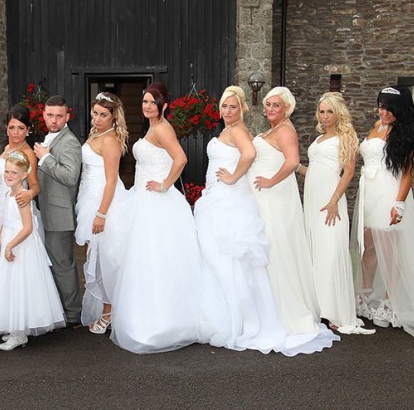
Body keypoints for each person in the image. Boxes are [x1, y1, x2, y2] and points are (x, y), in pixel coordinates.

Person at [105, 82, 229, 354]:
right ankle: (148, 318)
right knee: (145, 261)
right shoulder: (152, 127)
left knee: (158, 260)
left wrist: (164, 184)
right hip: (143, 200)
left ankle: (164, 323)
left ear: (164, 105)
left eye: (152, 102)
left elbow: (180, 158)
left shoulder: (162, 128)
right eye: (145, 101)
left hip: (158, 203)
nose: (147, 106)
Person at [194, 86, 294, 354]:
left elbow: (249, 154)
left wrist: (233, 177)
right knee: (216, 255)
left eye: (233, 107)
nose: (228, 111)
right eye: (224, 106)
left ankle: (238, 319)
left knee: (228, 256)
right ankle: (221, 313)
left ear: (242, 109)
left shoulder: (237, 130)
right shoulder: (226, 131)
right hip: (216, 196)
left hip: (228, 198)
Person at [351, 86, 414, 339]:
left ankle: (389, 302)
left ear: (399, 110)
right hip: (369, 193)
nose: (383, 112)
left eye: (388, 108)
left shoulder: (402, 134)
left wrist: (399, 204)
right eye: (381, 106)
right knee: (368, 246)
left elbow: (407, 174)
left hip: (388, 192)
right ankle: (365, 294)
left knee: (390, 251)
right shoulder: (377, 125)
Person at [247, 86, 339, 351]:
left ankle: (284, 310)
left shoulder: (286, 130)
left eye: (276, 105)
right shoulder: (270, 131)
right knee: (264, 245)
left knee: (276, 247)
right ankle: (263, 306)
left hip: (275, 195)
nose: (270, 109)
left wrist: (270, 181)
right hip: (263, 196)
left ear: (286, 108)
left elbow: (292, 162)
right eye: (268, 105)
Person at [300, 93, 375, 335]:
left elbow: (349, 172)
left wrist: (333, 200)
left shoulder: (347, 136)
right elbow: (315, 171)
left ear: (338, 113)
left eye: (329, 111)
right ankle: (320, 307)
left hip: (331, 201)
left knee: (332, 252)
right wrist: (295, 167)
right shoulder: (320, 138)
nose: (324, 116)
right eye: (321, 111)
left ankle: (336, 311)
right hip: (312, 200)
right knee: (316, 251)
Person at [0, 151, 65, 350]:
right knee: (11, 286)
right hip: (10, 239)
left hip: (20, 244)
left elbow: (28, 227)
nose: (8, 176)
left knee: (20, 285)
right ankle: (16, 329)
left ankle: (19, 332)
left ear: (24, 175)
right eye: (6, 172)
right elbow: (7, 221)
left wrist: (9, 245)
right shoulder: (9, 194)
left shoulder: (22, 197)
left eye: (14, 173)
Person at [75, 92, 129, 334]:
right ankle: (105, 308)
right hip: (89, 198)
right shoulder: (97, 134)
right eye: (95, 113)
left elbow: (111, 181)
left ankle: (109, 313)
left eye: (103, 115)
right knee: (95, 257)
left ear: (113, 116)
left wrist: (102, 214)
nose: (97, 118)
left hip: (104, 202)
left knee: (106, 260)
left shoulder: (110, 141)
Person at [33, 95, 83, 325]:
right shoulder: (49, 138)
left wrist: (45, 158)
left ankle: (73, 314)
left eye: (59, 116)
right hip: (46, 211)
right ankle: (61, 309)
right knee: (53, 264)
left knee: (63, 266)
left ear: (67, 117)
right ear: (43, 114)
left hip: (60, 213)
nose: (54, 120)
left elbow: (70, 177)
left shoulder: (69, 141)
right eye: (50, 115)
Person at [0, 106, 43, 240]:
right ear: (6, 128)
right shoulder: (6, 148)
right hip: (1, 203)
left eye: (21, 128)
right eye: (12, 127)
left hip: (17, 207)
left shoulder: (28, 153)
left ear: (28, 130)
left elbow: (35, 185)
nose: (16, 132)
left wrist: (28, 194)